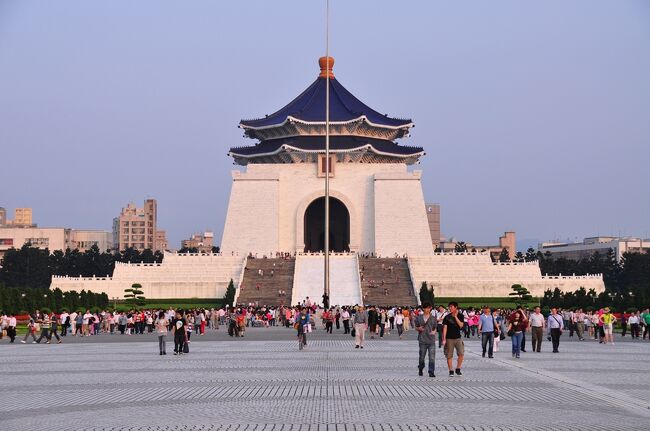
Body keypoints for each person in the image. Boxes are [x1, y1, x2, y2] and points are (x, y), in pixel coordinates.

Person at [442, 302, 465, 376]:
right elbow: (445, 328)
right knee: (449, 355)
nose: (450, 308)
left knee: (461, 353)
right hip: (449, 338)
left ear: (456, 307)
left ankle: (458, 368)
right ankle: (451, 370)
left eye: (451, 307)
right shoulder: (447, 317)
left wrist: (455, 317)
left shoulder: (460, 316)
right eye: (449, 307)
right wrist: (444, 339)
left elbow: (461, 325)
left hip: (458, 338)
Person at [414, 303, 436, 377]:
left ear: (430, 309)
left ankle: (431, 371)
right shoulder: (418, 318)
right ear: (423, 309)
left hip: (431, 340)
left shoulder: (433, 318)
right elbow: (416, 327)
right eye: (425, 308)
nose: (427, 310)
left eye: (428, 308)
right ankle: (421, 368)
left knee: (432, 357)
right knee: (422, 356)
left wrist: (434, 331)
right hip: (422, 340)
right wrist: (418, 328)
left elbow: (435, 327)